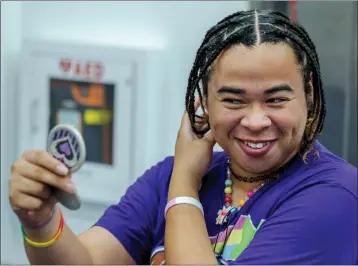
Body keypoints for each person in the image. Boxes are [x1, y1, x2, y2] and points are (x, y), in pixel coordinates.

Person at [9, 9, 357, 265]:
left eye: (276, 99)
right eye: (233, 100)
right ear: (203, 103)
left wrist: (184, 187)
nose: (255, 120)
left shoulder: (335, 194)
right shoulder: (169, 176)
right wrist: (40, 222)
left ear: (308, 95)